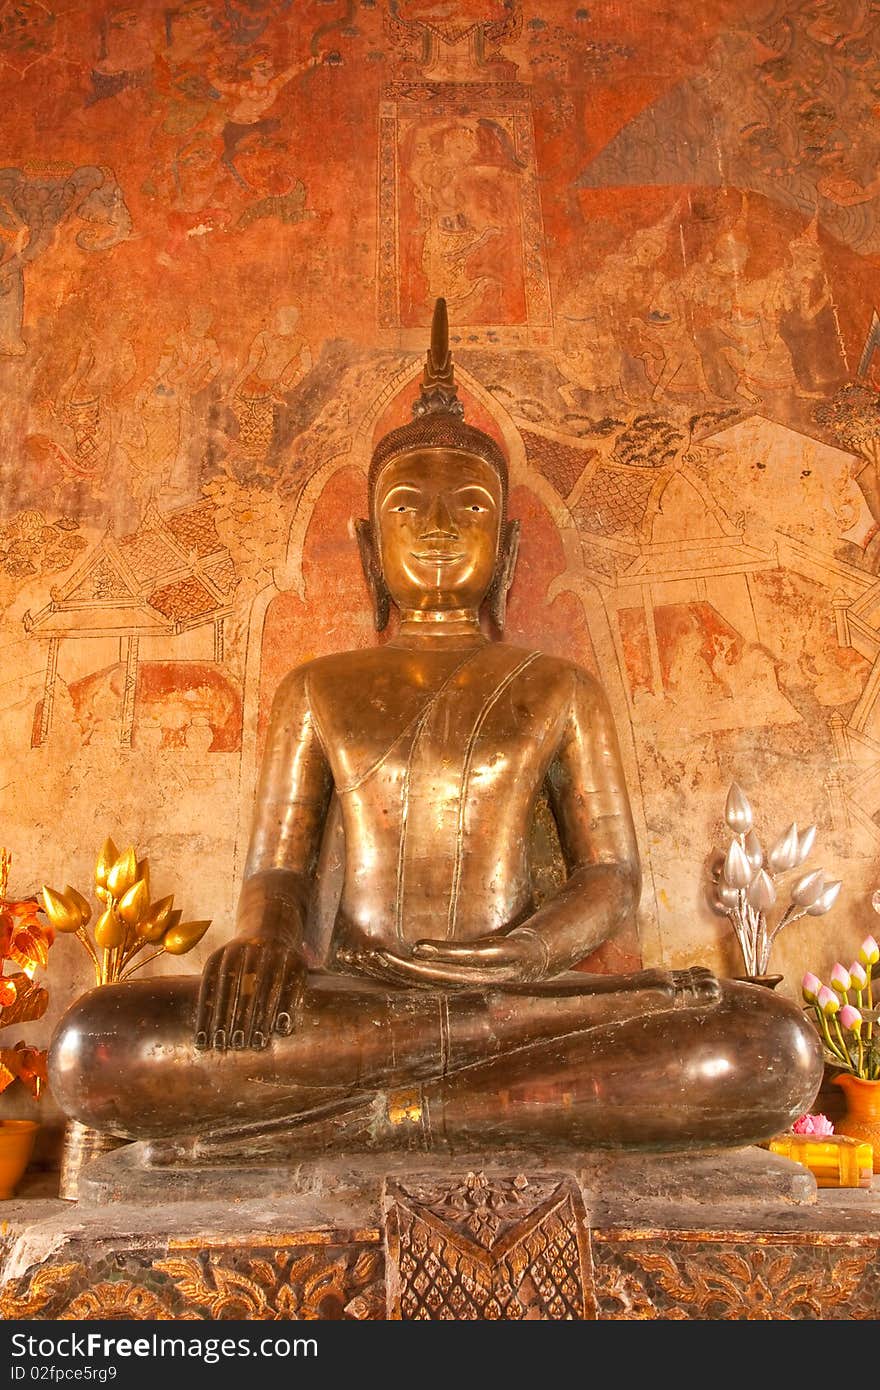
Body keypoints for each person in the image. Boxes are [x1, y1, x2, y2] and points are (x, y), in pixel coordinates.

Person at [49, 301, 823, 1159]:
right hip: (355, 1003)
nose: (442, 526)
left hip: (515, 1003)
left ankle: (371, 1120)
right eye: (411, 507)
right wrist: (264, 941)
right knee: (95, 1045)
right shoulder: (317, 688)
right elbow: (279, 866)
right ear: (371, 544)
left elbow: (609, 874)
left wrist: (527, 953)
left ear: (511, 545)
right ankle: (475, 1106)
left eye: (470, 507)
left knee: (769, 1046)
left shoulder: (560, 688)